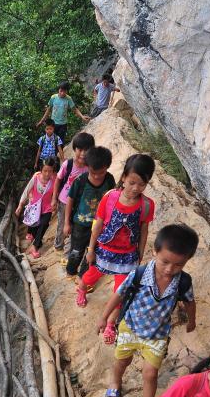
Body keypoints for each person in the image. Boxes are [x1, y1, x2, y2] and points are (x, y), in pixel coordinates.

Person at [96, 223, 198, 397]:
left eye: (178, 265)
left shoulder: (183, 281)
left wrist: (192, 321)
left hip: (157, 334)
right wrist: (104, 317)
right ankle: (115, 383)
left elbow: (189, 302)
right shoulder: (139, 274)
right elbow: (119, 293)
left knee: (150, 374)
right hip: (131, 327)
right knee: (122, 360)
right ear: (154, 252)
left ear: (187, 261)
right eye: (165, 262)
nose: (169, 269)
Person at [75, 154, 156, 307]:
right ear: (124, 177)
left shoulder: (147, 205)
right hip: (104, 251)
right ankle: (81, 290)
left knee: (121, 290)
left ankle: (111, 323)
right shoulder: (110, 197)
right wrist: (91, 249)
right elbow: (98, 224)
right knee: (89, 277)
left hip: (127, 255)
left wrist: (140, 253)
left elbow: (144, 231)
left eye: (142, 184)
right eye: (132, 182)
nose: (136, 188)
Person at [64, 146, 115, 280]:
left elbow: (111, 200)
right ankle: (71, 271)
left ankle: (83, 276)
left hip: (99, 225)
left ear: (107, 167)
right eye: (93, 173)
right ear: (88, 167)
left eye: (101, 172)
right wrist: (66, 223)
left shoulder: (109, 180)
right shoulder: (80, 181)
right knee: (76, 250)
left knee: (91, 251)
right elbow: (70, 200)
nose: (98, 176)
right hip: (80, 224)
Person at [52, 132, 96, 251]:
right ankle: (58, 245)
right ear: (74, 149)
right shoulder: (68, 164)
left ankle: (71, 248)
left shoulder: (90, 167)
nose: (82, 153)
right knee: (62, 224)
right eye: (79, 149)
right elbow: (58, 180)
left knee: (75, 225)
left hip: (80, 204)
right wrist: (54, 198)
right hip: (64, 201)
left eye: (86, 150)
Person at [15, 158, 57, 259]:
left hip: (46, 208)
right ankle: (36, 240)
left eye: (50, 171)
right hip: (34, 208)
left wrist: (55, 202)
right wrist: (20, 205)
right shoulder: (35, 178)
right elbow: (26, 191)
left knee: (44, 224)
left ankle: (34, 247)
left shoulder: (54, 180)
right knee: (35, 227)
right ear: (41, 170)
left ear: (53, 170)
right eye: (45, 171)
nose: (47, 174)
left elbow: (56, 193)